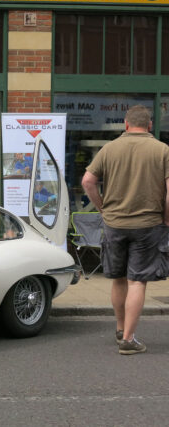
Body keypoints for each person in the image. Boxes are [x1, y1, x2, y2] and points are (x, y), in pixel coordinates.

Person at [81, 104, 169, 355]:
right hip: (148, 225)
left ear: (126, 124)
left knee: (118, 278)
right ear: (150, 125)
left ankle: (120, 328)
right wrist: (166, 218)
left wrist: (102, 208)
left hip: (115, 223)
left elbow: (88, 181)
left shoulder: (109, 149)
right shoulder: (162, 150)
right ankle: (129, 340)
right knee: (137, 280)